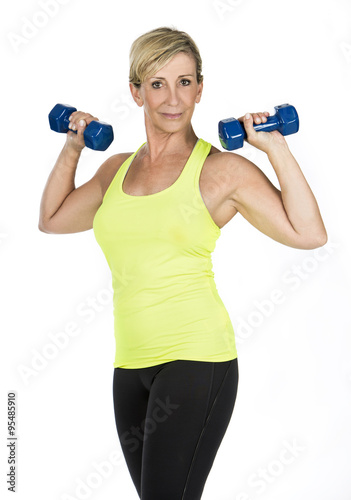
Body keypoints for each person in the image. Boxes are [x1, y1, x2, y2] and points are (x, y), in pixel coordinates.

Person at [38, 26, 327, 500]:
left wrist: (276, 148)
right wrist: (73, 146)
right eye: (157, 83)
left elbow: (309, 233)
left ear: (200, 89)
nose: (173, 98)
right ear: (136, 92)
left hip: (196, 359)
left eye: (186, 82)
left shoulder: (221, 171)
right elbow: (51, 219)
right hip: (129, 365)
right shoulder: (115, 169)